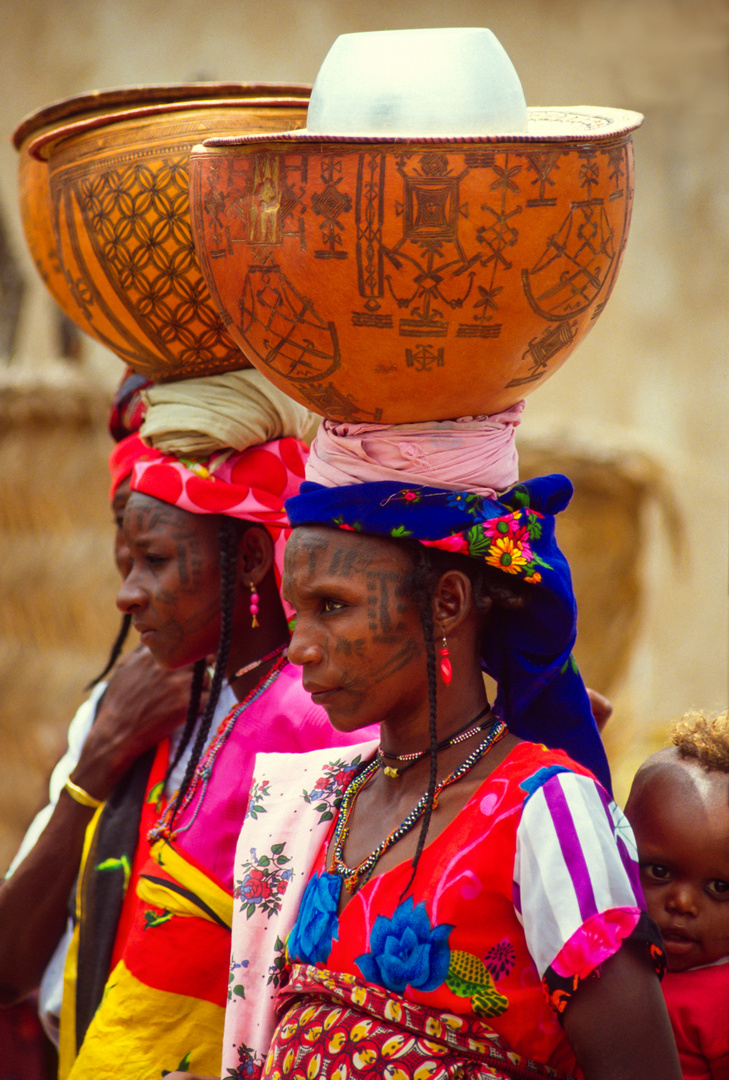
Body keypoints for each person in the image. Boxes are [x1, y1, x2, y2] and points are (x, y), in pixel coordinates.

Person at [207, 412, 682, 1080]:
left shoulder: (545, 811)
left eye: (333, 606)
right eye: (297, 611)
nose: (300, 647)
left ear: (447, 604)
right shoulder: (322, 803)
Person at [625, 709, 729, 1079]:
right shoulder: (605, 965)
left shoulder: (721, 1000)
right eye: (659, 872)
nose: (682, 903)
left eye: (720, 888)